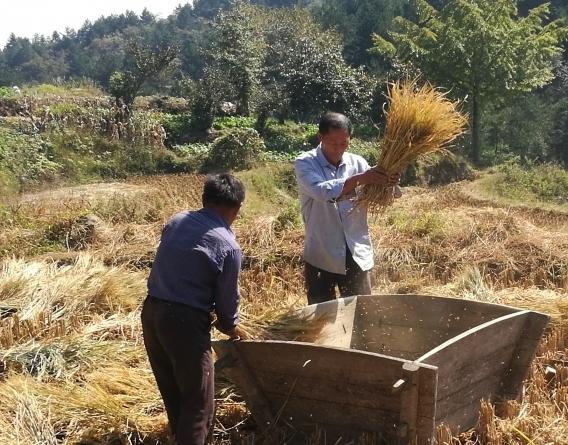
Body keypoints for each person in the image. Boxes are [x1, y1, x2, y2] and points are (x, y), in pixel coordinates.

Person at [141, 173, 247, 445]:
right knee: (198, 404)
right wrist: (232, 326)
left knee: (175, 394)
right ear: (236, 209)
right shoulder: (228, 245)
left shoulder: (177, 221)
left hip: (152, 314)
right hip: (183, 323)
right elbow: (226, 303)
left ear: (205, 200)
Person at [294, 112, 400, 305]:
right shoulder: (305, 162)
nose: (338, 148)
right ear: (320, 137)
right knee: (321, 316)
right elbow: (321, 191)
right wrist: (360, 178)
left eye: (344, 143)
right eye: (333, 142)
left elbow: (381, 199)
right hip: (321, 253)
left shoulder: (358, 163)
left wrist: (388, 183)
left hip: (356, 251)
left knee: (362, 312)